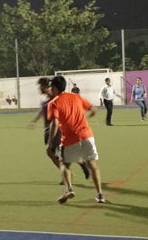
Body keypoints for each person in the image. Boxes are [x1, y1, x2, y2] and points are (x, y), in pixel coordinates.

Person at [48, 76, 104, 204]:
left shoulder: (54, 103)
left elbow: (55, 124)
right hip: (87, 135)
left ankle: (69, 189)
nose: (50, 89)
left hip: (69, 138)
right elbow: (93, 109)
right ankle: (100, 194)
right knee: (92, 165)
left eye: (51, 87)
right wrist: (84, 118)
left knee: (64, 164)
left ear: (55, 88)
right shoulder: (76, 97)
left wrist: (50, 143)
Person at [30, 78, 89, 181]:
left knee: (56, 153)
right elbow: (42, 111)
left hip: (56, 128)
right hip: (47, 129)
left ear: (45, 86)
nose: (39, 88)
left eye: (40, 86)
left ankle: (68, 173)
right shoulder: (44, 98)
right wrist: (35, 120)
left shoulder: (54, 96)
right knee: (57, 153)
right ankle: (79, 164)